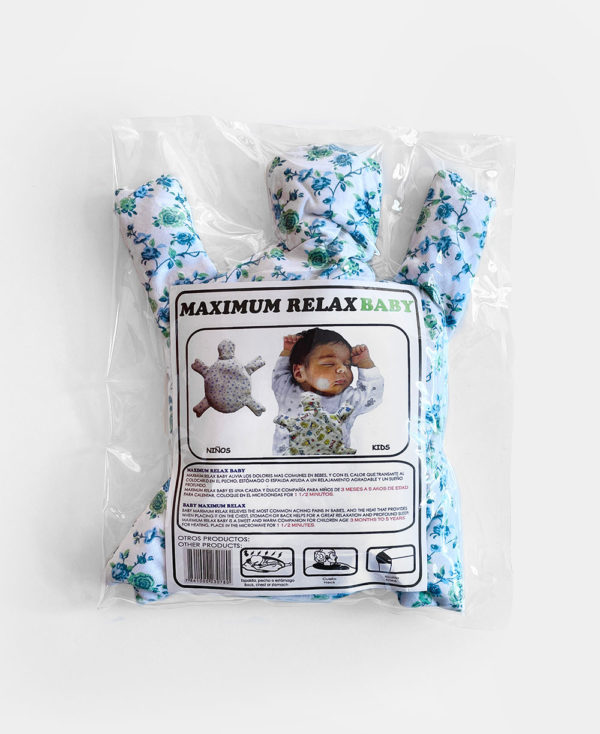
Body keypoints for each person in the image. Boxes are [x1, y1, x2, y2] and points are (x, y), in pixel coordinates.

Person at [272, 327, 384, 455]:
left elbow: (371, 396)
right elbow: (279, 374)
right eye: (329, 364)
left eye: (347, 364)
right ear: (299, 373)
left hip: (333, 464)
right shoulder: (287, 390)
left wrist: (364, 362)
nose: (342, 369)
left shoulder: (347, 398)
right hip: (288, 464)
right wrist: (287, 353)